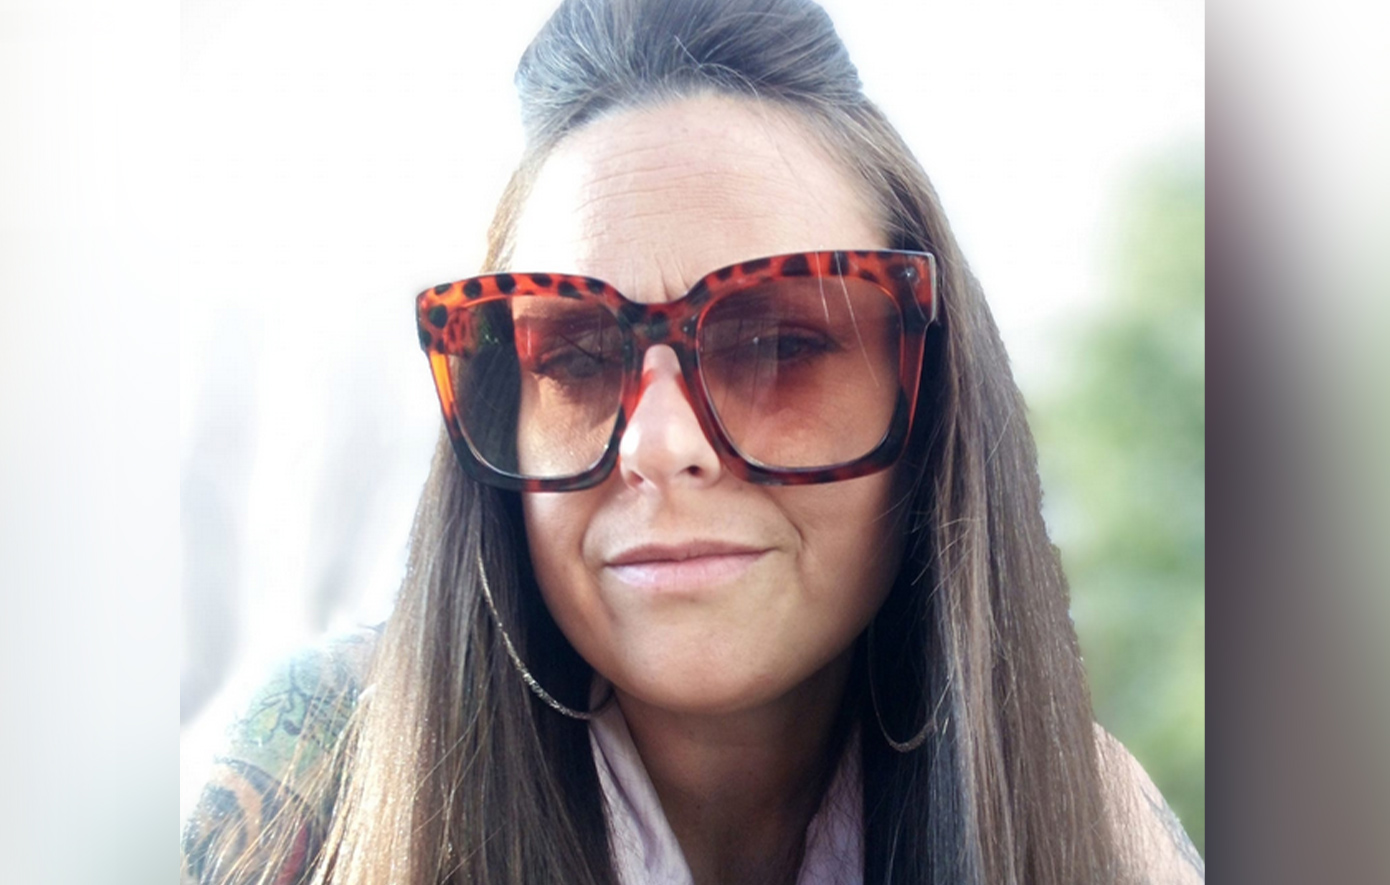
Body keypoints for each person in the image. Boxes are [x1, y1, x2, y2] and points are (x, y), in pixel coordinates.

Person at [181, 0, 1204, 883]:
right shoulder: (314, 775)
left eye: (781, 345)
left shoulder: (1089, 834)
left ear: (931, 393)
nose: (658, 442)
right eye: (574, 356)